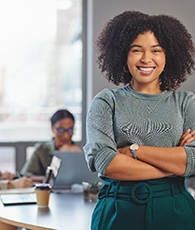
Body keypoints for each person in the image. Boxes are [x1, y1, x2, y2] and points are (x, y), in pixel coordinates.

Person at [83, 11, 195, 230]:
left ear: (168, 55)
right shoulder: (107, 102)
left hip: (175, 210)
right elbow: (106, 163)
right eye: (137, 50)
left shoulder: (186, 102)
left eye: (156, 50)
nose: (146, 59)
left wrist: (133, 150)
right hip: (117, 211)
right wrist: (176, 166)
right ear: (123, 55)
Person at [20, 109, 82, 180]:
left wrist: (79, 154)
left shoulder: (79, 151)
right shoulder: (41, 150)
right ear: (52, 129)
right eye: (61, 130)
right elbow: (25, 175)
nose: (66, 136)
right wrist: (49, 179)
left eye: (70, 130)